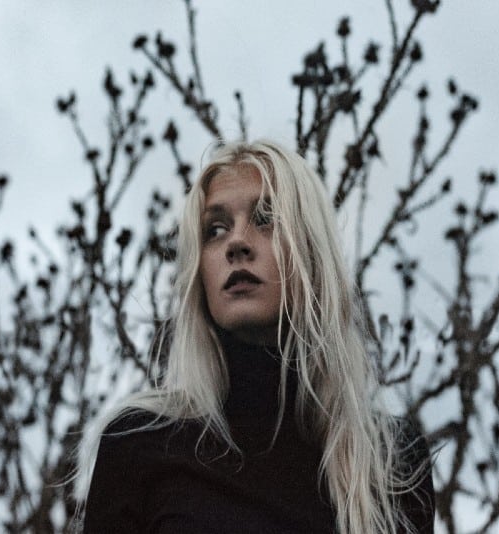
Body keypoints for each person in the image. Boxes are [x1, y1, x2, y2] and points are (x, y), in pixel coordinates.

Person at [75, 140, 435, 533]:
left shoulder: (389, 461)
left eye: (266, 218)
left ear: (313, 253)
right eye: (215, 229)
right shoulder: (140, 444)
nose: (237, 244)